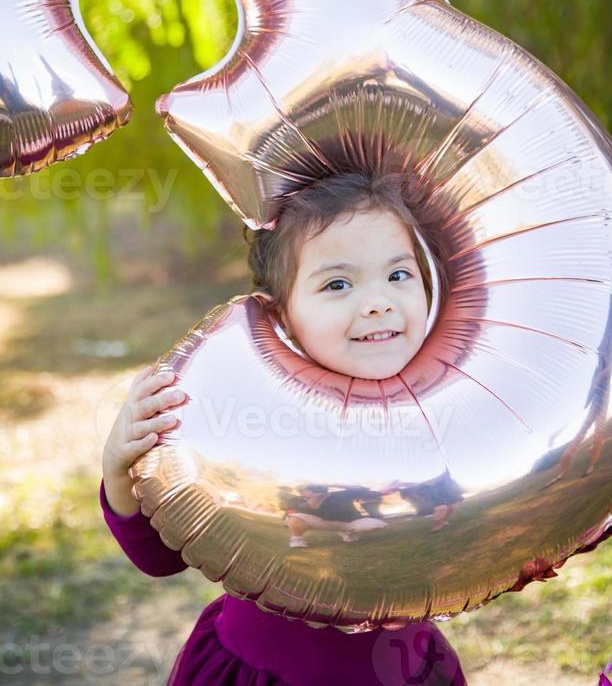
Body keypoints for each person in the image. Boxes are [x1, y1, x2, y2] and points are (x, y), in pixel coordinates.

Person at [101, 171, 467, 684]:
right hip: (260, 672)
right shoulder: (253, 422)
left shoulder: (452, 410)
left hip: (406, 671)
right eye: (338, 283)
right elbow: (162, 558)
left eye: (399, 274)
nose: (380, 301)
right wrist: (119, 468)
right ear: (282, 316)